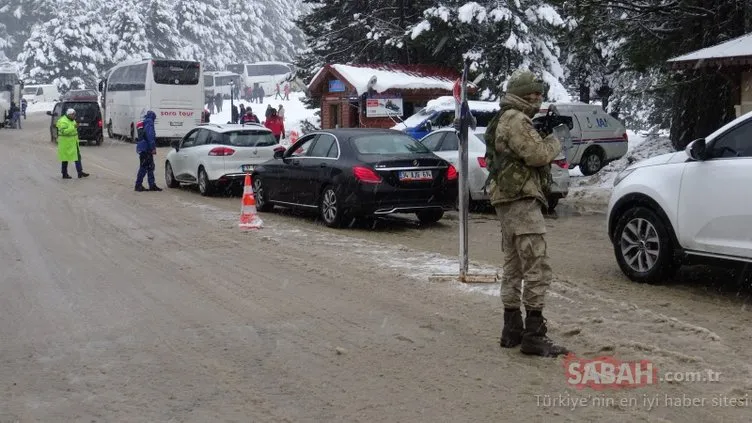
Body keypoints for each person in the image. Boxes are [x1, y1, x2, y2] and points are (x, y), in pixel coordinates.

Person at [488, 69, 566, 357]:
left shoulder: (505, 117)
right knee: (536, 265)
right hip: (521, 198)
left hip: (507, 199)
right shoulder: (518, 119)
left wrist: (539, 131)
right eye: (531, 95)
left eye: (539, 95)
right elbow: (537, 155)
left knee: (514, 265)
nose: (536, 99)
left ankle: (511, 329)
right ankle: (534, 333)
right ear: (518, 95)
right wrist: (555, 138)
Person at [57, 108, 89, 179]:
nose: (74, 116)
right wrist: (73, 127)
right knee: (65, 159)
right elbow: (64, 131)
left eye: (75, 115)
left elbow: (74, 130)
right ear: (69, 114)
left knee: (77, 157)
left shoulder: (72, 120)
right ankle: (64, 173)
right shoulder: (63, 121)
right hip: (66, 144)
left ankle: (80, 172)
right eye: (73, 115)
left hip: (73, 143)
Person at [134, 111, 162, 191]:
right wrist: (153, 148)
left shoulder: (143, 122)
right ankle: (138, 185)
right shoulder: (149, 122)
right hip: (146, 149)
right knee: (144, 167)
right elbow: (150, 136)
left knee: (150, 167)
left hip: (142, 148)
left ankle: (152, 185)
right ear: (153, 117)